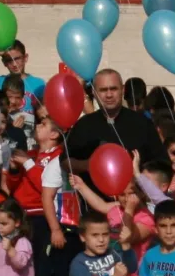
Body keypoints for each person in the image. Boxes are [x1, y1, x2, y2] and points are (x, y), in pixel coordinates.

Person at [6, 116, 79, 276]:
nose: (37, 125)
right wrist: (15, 170)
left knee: (43, 270)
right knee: (22, 263)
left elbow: (45, 186)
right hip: (22, 217)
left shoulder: (59, 156)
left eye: (43, 124)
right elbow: (13, 185)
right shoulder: (30, 153)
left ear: (54, 134)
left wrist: (28, 165)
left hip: (43, 217)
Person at [66, 69, 167, 200]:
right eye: (103, 90)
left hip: (136, 204)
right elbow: (66, 161)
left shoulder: (142, 123)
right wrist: (89, 165)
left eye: (113, 89)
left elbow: (161, 163)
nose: (109, 95)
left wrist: (139, 176)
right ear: (94, 93)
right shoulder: (84, 125)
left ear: (123, 90)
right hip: (95, 205)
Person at [70, 175, 155, 276]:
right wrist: (82, 186)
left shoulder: (146, 218)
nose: (127, 199)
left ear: (141, 194)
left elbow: (126, 236)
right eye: (121, 195)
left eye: (131, 194)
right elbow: (101, 205)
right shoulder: (117, 209)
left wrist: (129, 210)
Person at [69, 211, 137, 276]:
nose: (101, 239)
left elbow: (131, 268)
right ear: (82, 237)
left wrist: (126, 244)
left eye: (105, 234)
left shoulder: (112, 253)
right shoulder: (78, 263)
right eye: (95, 235)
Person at [0, 40, 45, 114]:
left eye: (17, 59)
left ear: (25, 58)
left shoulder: (39, 84)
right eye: (9, 60)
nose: (14, 64)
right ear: (4, 62)